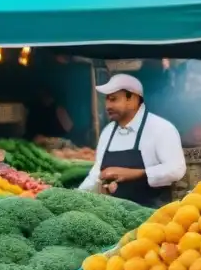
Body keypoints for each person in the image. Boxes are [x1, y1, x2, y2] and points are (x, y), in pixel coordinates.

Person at [79, 74, 186, 207]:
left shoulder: (161, 128)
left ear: (133, 99)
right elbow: (97, 173)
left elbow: (176, 169)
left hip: (153, 216)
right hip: (114, 216)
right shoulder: (107, 132)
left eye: (113, 99)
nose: (107, 106)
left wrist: (136, 173)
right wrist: (75, 196)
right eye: (106, 100)